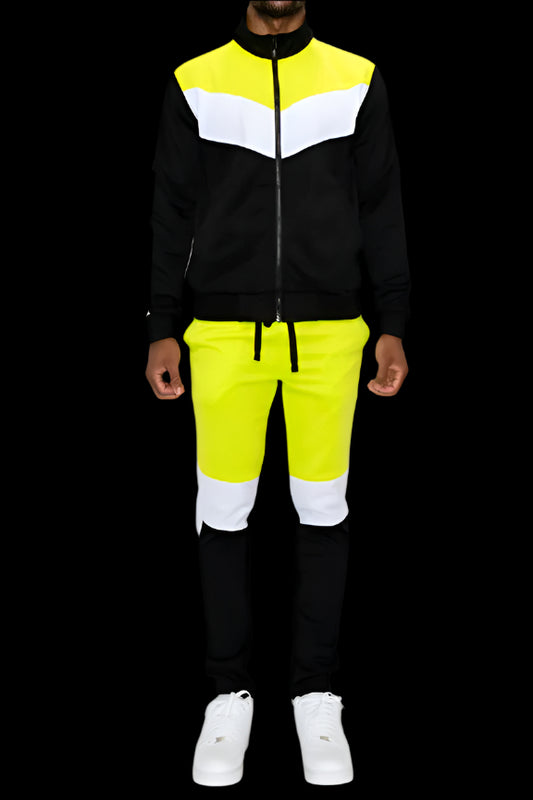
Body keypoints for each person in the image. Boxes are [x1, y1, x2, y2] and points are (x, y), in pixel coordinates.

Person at [145, 0, 410, 786]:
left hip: (332, 334)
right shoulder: (195, 80)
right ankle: (228, 695)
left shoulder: (354, 77)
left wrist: (392, 320)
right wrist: (161, 322)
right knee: (222, 510)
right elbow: (171, 207)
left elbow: (381, 203)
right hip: (221, 336)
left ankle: (315, 695)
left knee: (322, 507)